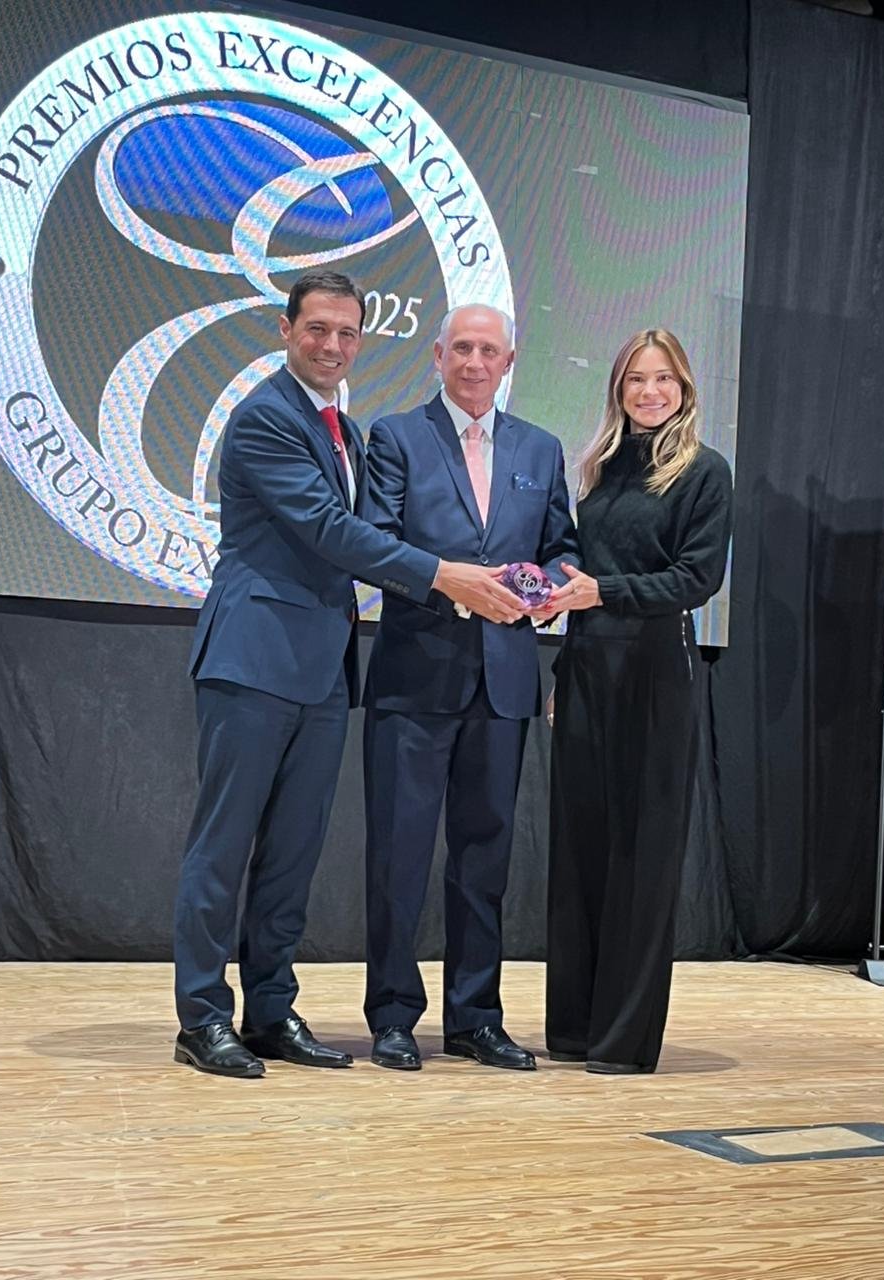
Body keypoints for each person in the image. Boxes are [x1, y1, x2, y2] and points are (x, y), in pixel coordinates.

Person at [172, 272, 525, 1079]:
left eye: (346, 333)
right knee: (224, 846)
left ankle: (269, 1008)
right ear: (287, 331)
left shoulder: (345, 427)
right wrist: (445, 574)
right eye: (317, 330)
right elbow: (331, 529)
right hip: (254, 656)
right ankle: (201, 1016)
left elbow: (356, 535)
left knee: (293, 853)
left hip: (325, 668)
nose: (331, 345)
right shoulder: (265, 416)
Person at [362, 304, 578, 1072]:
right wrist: (460, 589)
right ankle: (392, 1015)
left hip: (504, 682)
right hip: (413, 678)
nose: (475, 362)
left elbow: (562, 551)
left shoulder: (541, 449)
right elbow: (376, 545)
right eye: (462, 349)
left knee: (484, 858)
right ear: (438, 356)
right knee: (399, 856)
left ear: (509, 359)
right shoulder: (395, 437)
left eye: (489, 350)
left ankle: (475, 1018)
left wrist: (539, 587)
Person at [544, 327, 733, 1075]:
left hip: (657, 674)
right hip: (588, 668)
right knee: (580, 850)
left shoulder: (703, 473)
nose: (649, 392)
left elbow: (697, 581)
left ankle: (622, 1041)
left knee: (641, 856)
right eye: (635, 381)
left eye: (663, 380)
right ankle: (572, 1030)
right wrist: (564, 665)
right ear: (617, 390)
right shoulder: (596, 472)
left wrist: (604, 591)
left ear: (684, 389)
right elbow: (579, 576)